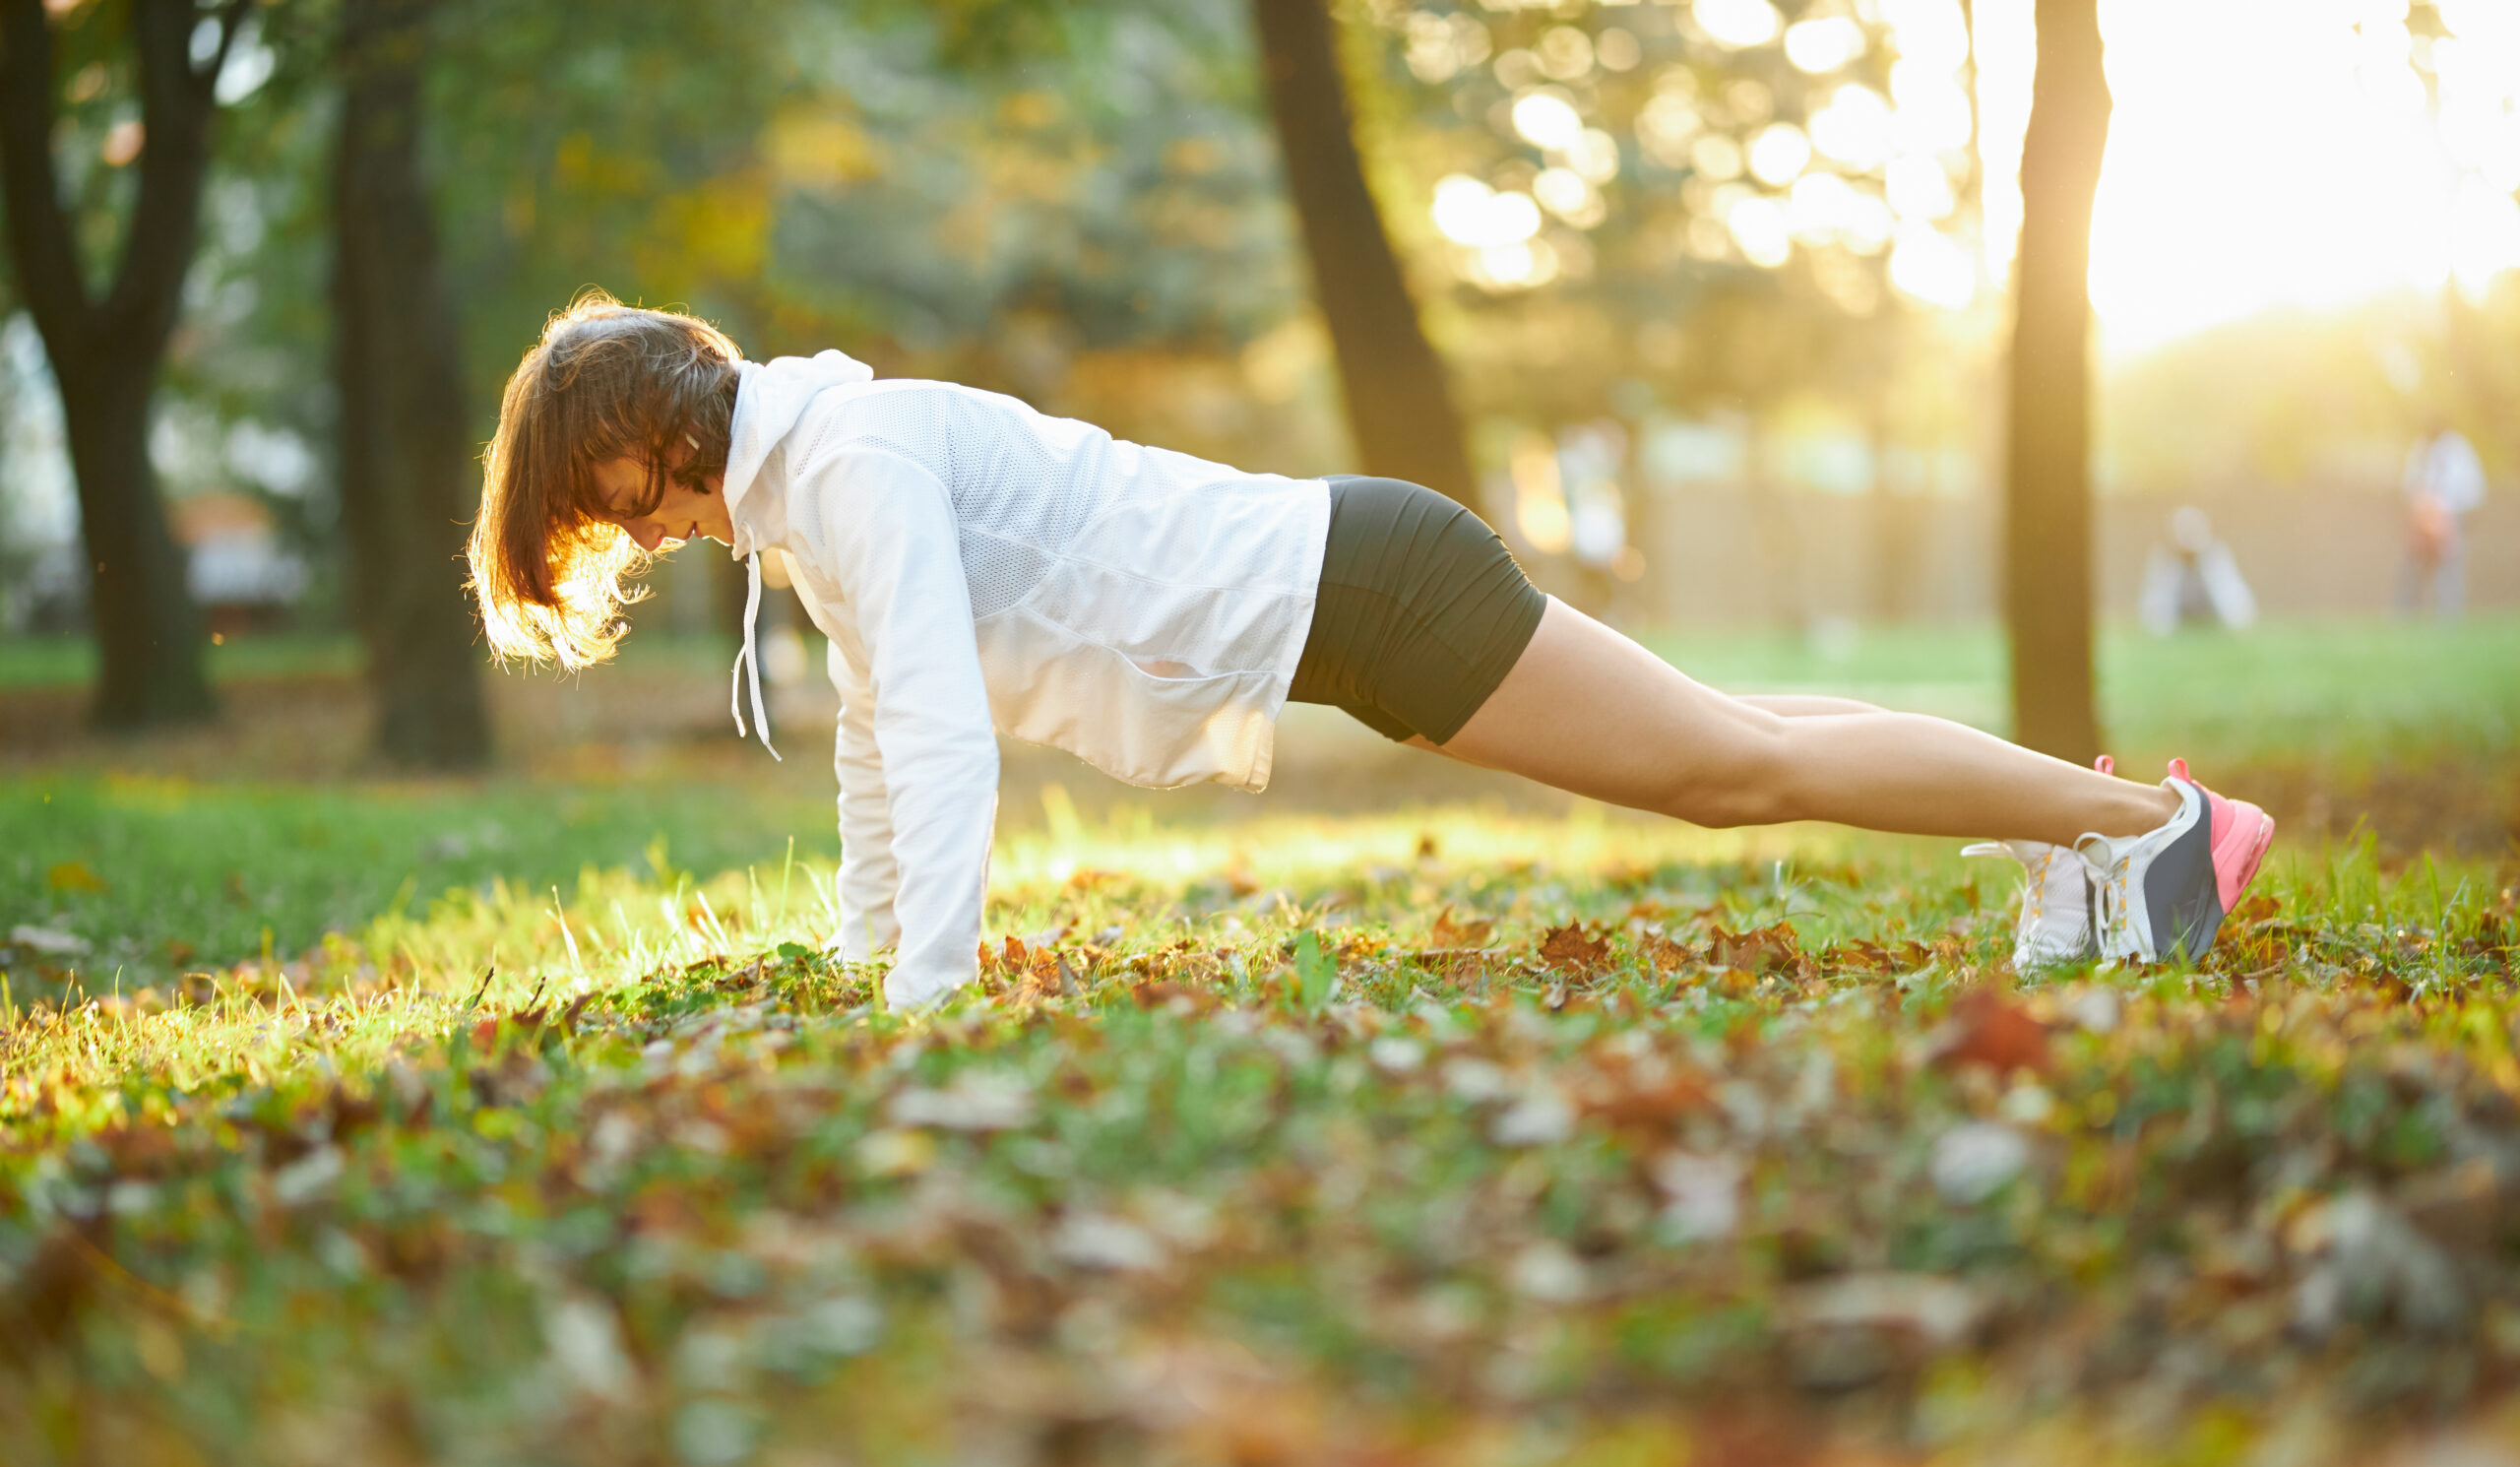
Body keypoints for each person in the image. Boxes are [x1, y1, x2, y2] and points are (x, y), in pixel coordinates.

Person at [467, 296, 2275, 1008]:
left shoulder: (845, 464)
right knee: (1742, 738)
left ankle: (2151, 832)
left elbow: (939, 737)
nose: (617, 529)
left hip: (1372, 587)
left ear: (649, 428)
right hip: (1355, 594)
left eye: (602, 492)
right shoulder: (817, 478)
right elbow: (876, 735)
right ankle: (2093, 824)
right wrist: (867, 963)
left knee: (1738, 771)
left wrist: (916, 1000)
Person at [2399, 420, 2486, 617]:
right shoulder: (2420, 447)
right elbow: (2409, 483)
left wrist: (2452, 512)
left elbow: (2472, 486)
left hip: (2449, 516)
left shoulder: (2459, 448)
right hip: (2422, 517)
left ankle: (2449, 617)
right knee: (2413, 567)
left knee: (2449, 568)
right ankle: (2405, 616)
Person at [2139, 506, 2255, 636]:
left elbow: (2229, 594)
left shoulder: (2215, 554)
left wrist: (2237, 626)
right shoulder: (2163, 557)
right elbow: (2158, 599)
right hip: (2181, 618)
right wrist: (2160, 631)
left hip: (2209, 616)